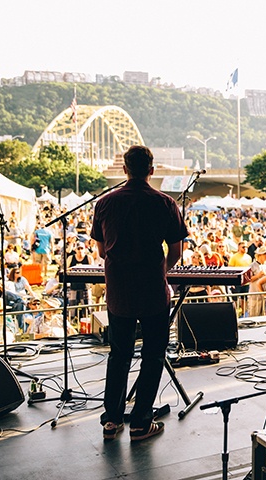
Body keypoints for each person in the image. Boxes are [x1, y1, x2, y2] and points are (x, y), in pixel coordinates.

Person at [91, 145, 188, 442]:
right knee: (153, 355)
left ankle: (112, 420)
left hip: (119, 292)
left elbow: (101, 249)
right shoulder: (164, 203)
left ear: (124, 169)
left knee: (119, 355)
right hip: (152, 292)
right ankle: (141, 423)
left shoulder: (105, 203)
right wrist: (162, 270)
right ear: (152, 169)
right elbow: (176, 249)